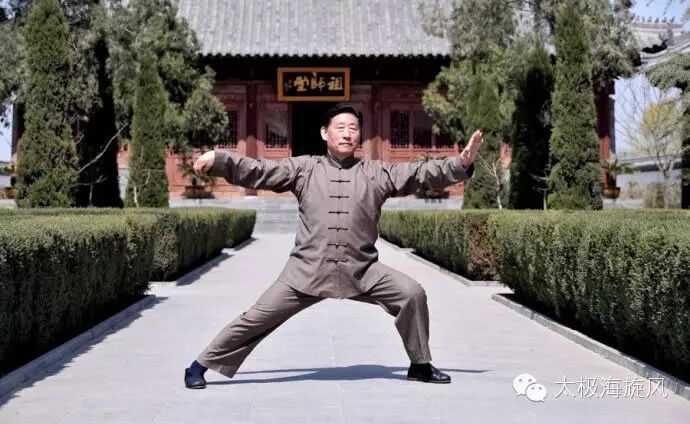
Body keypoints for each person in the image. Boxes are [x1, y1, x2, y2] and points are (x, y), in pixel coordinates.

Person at [185, 103, 483, 389]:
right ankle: (199, 365)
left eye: (353, 128)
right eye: (340, 127)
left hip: (362, 270)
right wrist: (220, 159)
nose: (347, 134)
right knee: (256, 318)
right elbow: (260, 170)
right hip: (306, 271)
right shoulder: (304, 168)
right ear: (324, 133)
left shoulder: (377, 172)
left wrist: (460, 164)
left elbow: (419, 174)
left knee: (411, 293)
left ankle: (420, 365)